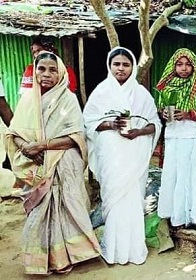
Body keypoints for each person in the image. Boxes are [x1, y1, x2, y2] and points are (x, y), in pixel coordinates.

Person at [4, 51, 100, 274]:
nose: (46, 74)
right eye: (41, 69)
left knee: (65, 208)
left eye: (52, 69)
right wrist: (26, 148)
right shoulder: (28, 99)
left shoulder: (68, 99)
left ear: (61, 73)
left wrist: (42, 146)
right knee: (40, 212)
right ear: (35, 71)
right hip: (35, 163)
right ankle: (40, 260)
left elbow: (76, 136)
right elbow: (13, 133)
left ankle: (70, 256)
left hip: (63, 162)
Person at [83, 47, 161, 265]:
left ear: (132, 67)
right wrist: (110, 124)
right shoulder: (101, 92)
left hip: (134, 154)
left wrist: (138, 131)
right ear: (110, 65)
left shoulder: (141, 93)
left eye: (126, 64)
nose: (121, 68)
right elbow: (88, 122)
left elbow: (155, 124)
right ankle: (114, 250)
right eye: (117, 64)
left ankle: (135, 250)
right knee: (114, 201)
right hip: (111, 155)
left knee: (133, 200)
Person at [156, 48, 196, 227]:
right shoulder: (166, 87)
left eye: (188, 65)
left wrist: (187, 114)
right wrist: (163, 113)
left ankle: (190, 215)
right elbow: (160, 111)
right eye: (179, 64)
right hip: (173, 136)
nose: (184, 68)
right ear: (173, 66)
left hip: (190, 137)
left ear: (194, 67)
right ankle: (172, 214)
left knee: (190, 175)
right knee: (173, 174)